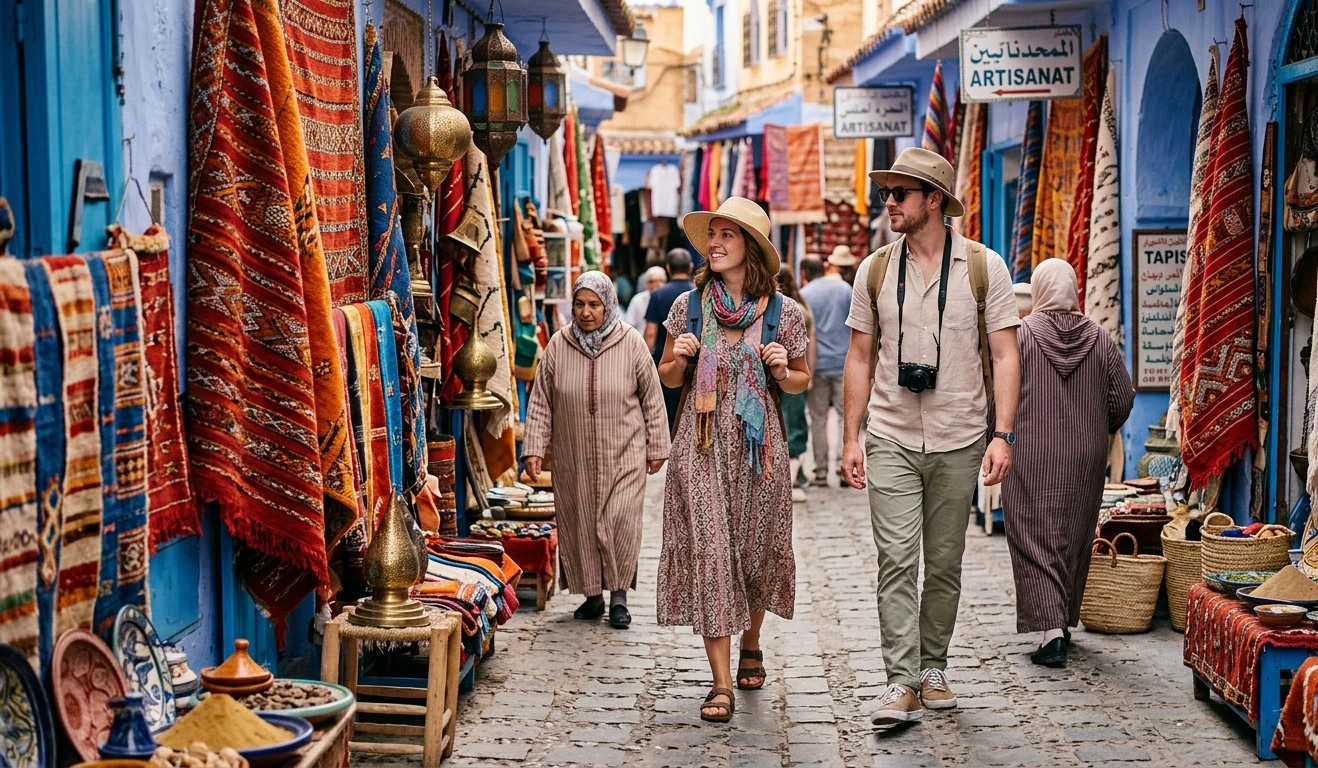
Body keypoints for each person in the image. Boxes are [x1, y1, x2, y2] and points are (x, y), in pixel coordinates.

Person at [840, 147, 1022, 726]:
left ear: (934, 201)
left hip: (961, 434)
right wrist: (850, 437)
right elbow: (859, 357)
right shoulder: (873, 270)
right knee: (897, 558)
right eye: (887, 193)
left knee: (944, 561)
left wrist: (1003, 435)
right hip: (890, 433)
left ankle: (932, 666)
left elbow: (1005, 353)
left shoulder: (983, 267)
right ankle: (900, 682)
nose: (888, 203)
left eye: (900, 194)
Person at [656, 197, 811, 723]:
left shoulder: (784, 313)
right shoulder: (688, 305)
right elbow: (668, 378)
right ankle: (720, 682)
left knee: (753, 551)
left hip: (758, 449)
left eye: (728, 234)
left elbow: (799, 381)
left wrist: (781, 367)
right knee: (713, 551)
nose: (715, 243)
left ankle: (752, 642)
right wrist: (678, 357)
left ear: (752, 248)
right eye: (712, 235)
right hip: (699, 442)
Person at [1001, 259, 1134, 667]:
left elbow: (999, 397)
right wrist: (1097, 428)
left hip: (1029, 451)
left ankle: (1051, 630)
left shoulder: (1020, 337)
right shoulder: (1101, 338)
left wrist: (997, 434)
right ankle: (1061, 622)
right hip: (1086, 455)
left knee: (1031, 533)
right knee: (1074, 536)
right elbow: (1123, 399)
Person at [522, 271, 670, 630]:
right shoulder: (558, 344)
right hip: (574, 455)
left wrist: (657, 446)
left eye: (594, 305)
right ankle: (592, 596)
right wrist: (534, 448)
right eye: (580, 304)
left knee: (619, 520)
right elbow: (541, 400)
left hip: (624, 452)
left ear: (608, 306)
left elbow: (651, 397)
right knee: (580, 522)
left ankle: (618, 596)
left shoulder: (631, 342)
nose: (586, 312)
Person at [800, 245, 858, 488]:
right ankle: (843, 468)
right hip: (844, 362)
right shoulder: (845, 289)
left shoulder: (806, 293)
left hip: (817, 363)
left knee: (819, 419)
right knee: (846, 419)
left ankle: (821, 471)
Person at [776, 264, 815, 503]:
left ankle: (791, 476)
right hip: (793, 373)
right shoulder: (800, 307)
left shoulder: (791, 310)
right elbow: (813, 344)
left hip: (788, 373)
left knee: (791, 423)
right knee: (794, 422)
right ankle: (792, 474)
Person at [645, 248, 696, 428]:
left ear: (668, 268)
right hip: (693, 365)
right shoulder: (697, 295)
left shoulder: (658, 294)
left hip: (665, 362)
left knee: (666, 415)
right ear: (690, 267)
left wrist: (647, 361)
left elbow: (651, 332)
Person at [625, 266, 668, 331]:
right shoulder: (637, 300)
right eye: (652, 281)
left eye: (660, 281)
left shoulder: (669, 300)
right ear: (647, 283)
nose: (656, 284)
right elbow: (628, 325)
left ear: (665, 282)